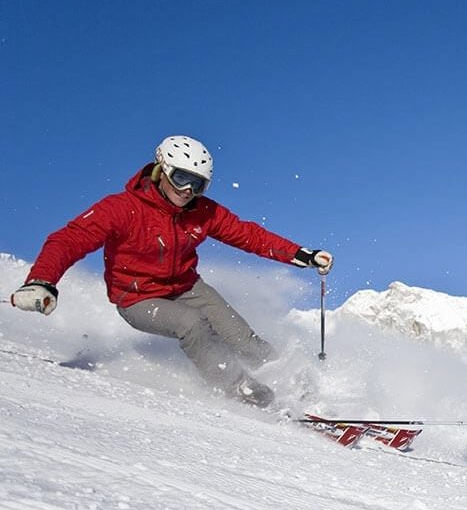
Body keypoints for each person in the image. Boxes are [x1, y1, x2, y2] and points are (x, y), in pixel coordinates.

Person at [9, 135, 333, 407]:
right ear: (161, 171)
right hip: (137, 298)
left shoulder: (202, 212)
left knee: (243, 339)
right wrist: (42, 281)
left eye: (198, 184)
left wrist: (301, 255)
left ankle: (303, 391)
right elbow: (68, 239)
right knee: (192, 324)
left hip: (187, 287)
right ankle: (242, 391)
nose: (188, 190)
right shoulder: (122, 209)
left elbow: (248, 235)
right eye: (182, 178)